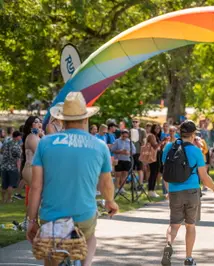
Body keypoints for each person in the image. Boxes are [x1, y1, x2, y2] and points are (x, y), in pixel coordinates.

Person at [26, 92, 119, 266]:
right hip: (83, 216)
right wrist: (110, 202)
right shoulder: (99, 146)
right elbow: (106, 182)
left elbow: (36, 186)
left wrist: (32, 221)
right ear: (85, 119)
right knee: (90, 237)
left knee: (51, 251)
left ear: (62, 120)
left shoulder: (45, 143)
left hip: (51, 217)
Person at [161, 120, 214, 266]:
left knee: (174, 224)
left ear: (179, 132)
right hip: (192, 192)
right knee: (190, 225)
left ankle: (169, 245)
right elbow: (204, 176)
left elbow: (166, 172)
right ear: (193, 134)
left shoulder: (169, 147)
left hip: (175, 191)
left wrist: (169, 190)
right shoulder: (196, 150)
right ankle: (188, 259)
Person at [21, 116, 41, 208]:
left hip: (33, 168)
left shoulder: (36, 136)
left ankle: (30, 220)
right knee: (35, 197)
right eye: (36, 122)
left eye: (40, 121)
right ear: (30, 126)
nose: (39, 124)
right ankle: (30, 220)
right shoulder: (32, 137)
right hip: (30, 169)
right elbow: (40, 153)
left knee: (34, 196)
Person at [112, 129, 136, 194]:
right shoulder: (117, 141)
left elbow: (134, 151)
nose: (125, 138)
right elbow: (113, 150)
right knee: (118, 175)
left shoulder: (129, 142)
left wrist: (128, 152)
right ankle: (117, 188)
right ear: (121, 135)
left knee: (124, 175)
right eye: (123, 136)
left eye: (126, 136)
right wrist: (120, 151)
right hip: (119, 160)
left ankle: (122, 188)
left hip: (127, 160)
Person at [1, 131, 22, 203]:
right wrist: (19, 169)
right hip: (12, 167)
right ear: (17, 137)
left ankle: (3, 199)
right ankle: (9, 199)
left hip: (4, 166)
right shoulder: (17, 146)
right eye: (20, 136)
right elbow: (18, 159)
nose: (21, 138)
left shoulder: (6, 143)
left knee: (4, 184)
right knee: (11, 184)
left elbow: (1, 151)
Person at [146, 124, 162, 197]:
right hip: (153, 157)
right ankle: (150, 190)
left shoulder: (157, 136)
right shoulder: (151, 136)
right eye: (156, 128)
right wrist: (163, 141)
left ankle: (152, 190)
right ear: (153, 129)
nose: (158, 129)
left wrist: (163, 143)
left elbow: (159, 148)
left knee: (156, 173)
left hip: (157, 156)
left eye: (159, 128)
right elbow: (155, 146)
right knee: (153, 173)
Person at [130, 117, 147, 186]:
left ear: (139, 123)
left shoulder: (142, 130)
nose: (135, 123)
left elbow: (145, 141)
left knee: (140, 169)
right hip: (132, 152)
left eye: (136, 122)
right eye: (133, 122)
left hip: (139, 152)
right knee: (132, 169)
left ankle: (140, 184)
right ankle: (133, 185)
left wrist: (142, 144)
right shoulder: (130, 130)